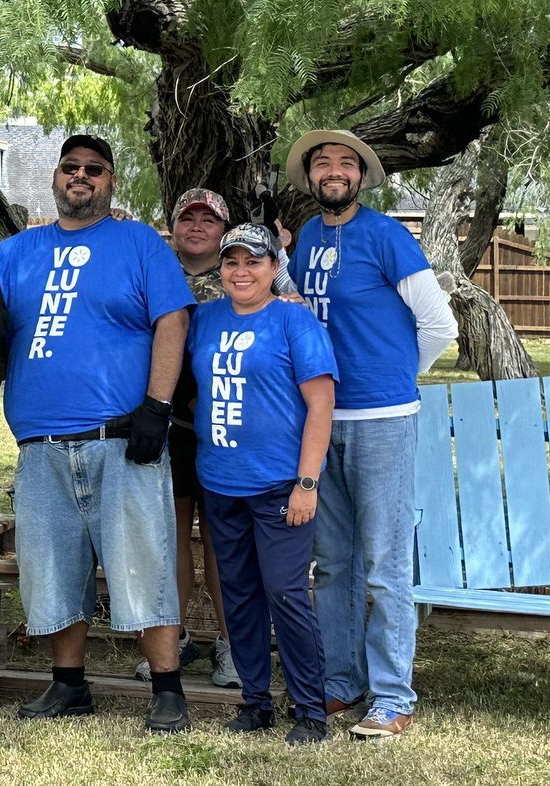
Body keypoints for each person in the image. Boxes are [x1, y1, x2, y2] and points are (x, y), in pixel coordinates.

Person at [0, 134, 195, 733]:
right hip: (41, 444)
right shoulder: (21, 250)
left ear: (110, 182)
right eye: (71, 168)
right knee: (51, 567)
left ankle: (166, 688)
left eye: (95, 169)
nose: (81, 176)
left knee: (145, 561)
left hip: (121, 436)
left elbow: (173, 319)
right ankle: (69, 686)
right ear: (55, 178)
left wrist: (157, 408)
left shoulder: (138, 243)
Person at [284, 129, 459, 738]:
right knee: (334, 563)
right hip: (322, 422)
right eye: (322, 162)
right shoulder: (307, 237)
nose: (334, 170)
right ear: (309, 177)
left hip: (383, 420)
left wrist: (395, 377)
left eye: (346, 162)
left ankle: (393, 697)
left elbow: (440, 324)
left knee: (385, 564)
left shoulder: (388, 236)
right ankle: (341, 682)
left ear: (362, 176)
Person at [188, 223, 338, 745]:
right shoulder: (203, 320)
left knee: (286, 593)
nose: (241, 271)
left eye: (253, 261)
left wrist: (307, 482)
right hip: (221, 483)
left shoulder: (294, 321)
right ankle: (255, 702)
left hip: (279, 486)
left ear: (275, 267)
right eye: (231, 262)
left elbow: (321, 404)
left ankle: (311, 710)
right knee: (240, 596)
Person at [136, 187, 237, 689]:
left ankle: (231, 644)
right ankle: (172, 638)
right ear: (173, 225)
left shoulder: (242, 274)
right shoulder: (154, 269)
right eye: (187, 218)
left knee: (223, 537)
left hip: (225, 425)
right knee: (171, 533)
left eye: (209, 220)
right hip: (168, 421)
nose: (197, 227)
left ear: (223, 229)